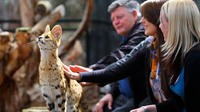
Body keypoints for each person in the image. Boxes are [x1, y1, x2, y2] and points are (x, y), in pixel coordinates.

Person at [64, 0, 168, 111]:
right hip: (127, 97)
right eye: (113, 19)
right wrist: (110, 92)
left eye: (119, 17)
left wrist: (92, 71)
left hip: (143, 100)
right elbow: (122, 65)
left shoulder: (144, 34)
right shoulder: (145, 41)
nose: (115, 22)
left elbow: (122, 57)